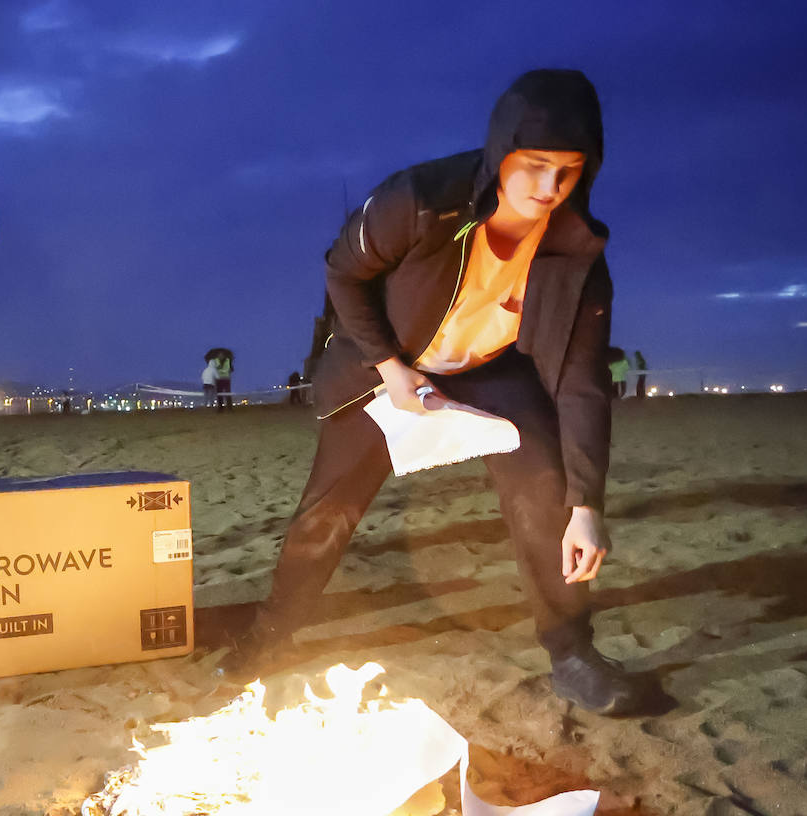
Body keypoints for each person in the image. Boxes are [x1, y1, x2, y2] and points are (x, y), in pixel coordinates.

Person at [226, 70, 660, 716]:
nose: (549, 188)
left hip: (490, 371)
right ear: (501, 151)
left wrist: (586, 504)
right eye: (534, 165)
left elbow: (582, 382)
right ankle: (268, 637)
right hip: (388, 364)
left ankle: (572, 651)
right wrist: (389, 368)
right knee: (326, 513)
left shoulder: (578, 252)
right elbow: (343, 272)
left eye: (568, 171)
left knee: (547, 484)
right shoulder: (422, 199)